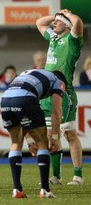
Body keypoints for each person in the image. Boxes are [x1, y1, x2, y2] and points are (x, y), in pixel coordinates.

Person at [35, 9, 84, 185]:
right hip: (48, 93)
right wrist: (57, 16)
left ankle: (78, 175)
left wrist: (68, 15)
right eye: (55, 21)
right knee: (50, 135)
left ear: (68, 25)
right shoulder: (53, 38)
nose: (54, 23)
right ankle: (56, 176)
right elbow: (39, 22)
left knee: (70, 134)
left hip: (64, 92)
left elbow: (78, 23)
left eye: (58, 21)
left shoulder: (72, 40)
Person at [1, 69, 67, 198]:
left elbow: (24, 119)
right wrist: (55, 137)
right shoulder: (58, 81)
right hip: (25, 97)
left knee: (15, 142)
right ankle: (45, 189)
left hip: (5, 99)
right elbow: (57, 110)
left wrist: (30, 141)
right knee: (42, 142)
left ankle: (17, 189)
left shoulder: (33, 73)